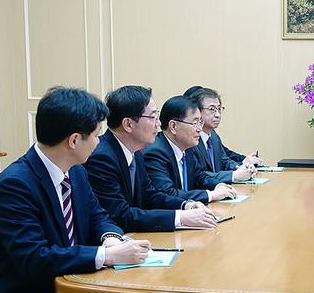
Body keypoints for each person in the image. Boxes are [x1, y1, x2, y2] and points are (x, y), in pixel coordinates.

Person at [0, 87, 152, 293]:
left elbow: (98, 216)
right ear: (73, 140)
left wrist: (110, 236)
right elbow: (34, 258)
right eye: (95, 135)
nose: (100, 142)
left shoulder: (75, 172)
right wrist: (106, 255)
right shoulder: (15, 184)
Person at [84, 85, 218, 232]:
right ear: (128, 124)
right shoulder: (102, 157)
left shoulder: (135, 153)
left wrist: (186, 205)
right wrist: (180, 218)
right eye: (153, 117)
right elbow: (120, 215)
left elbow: (150, 195)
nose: (159, 124)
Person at [143, 95, 237, 203]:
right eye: (195, 123)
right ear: (173, 126)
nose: (199, 129)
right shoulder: (155, 153)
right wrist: (210, 195)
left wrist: (218, 185)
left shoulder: (187, 148)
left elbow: (200, 177)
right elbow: (167, 194)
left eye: (200, 122)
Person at [183, 86, 257, 183]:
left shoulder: (213, 136)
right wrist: (234, 175)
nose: (217, 115)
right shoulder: (190, 139)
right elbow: (198, 175)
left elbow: (224, 160)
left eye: (219, 109)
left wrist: (242, 168)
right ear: (197, 111)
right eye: (212, 109)